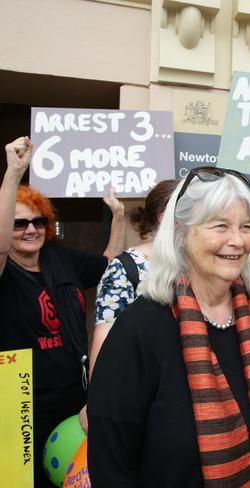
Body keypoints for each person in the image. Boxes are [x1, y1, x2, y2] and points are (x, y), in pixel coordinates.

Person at [88, 167, 250, 487]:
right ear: (180, 231)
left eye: (245, 226)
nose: (237, 240)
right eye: (220, 225)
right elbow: (111, 466)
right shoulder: (139, 328)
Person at [0, 136, 126, 486]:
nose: (31, 230)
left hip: (73, 395)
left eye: (39, 222)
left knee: (73, 475)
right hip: (19, 403)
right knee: (23, 481)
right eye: (19, 223)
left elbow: (109, 267)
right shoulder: (5, 269)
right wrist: (13, 174)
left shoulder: (60, 258)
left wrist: (118, 216)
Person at [90, 179, 177, 374]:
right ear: (165, 216)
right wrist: (98, 401)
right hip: (145, 383)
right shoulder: (126, 268)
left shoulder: (202, 263)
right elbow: (105, 341)